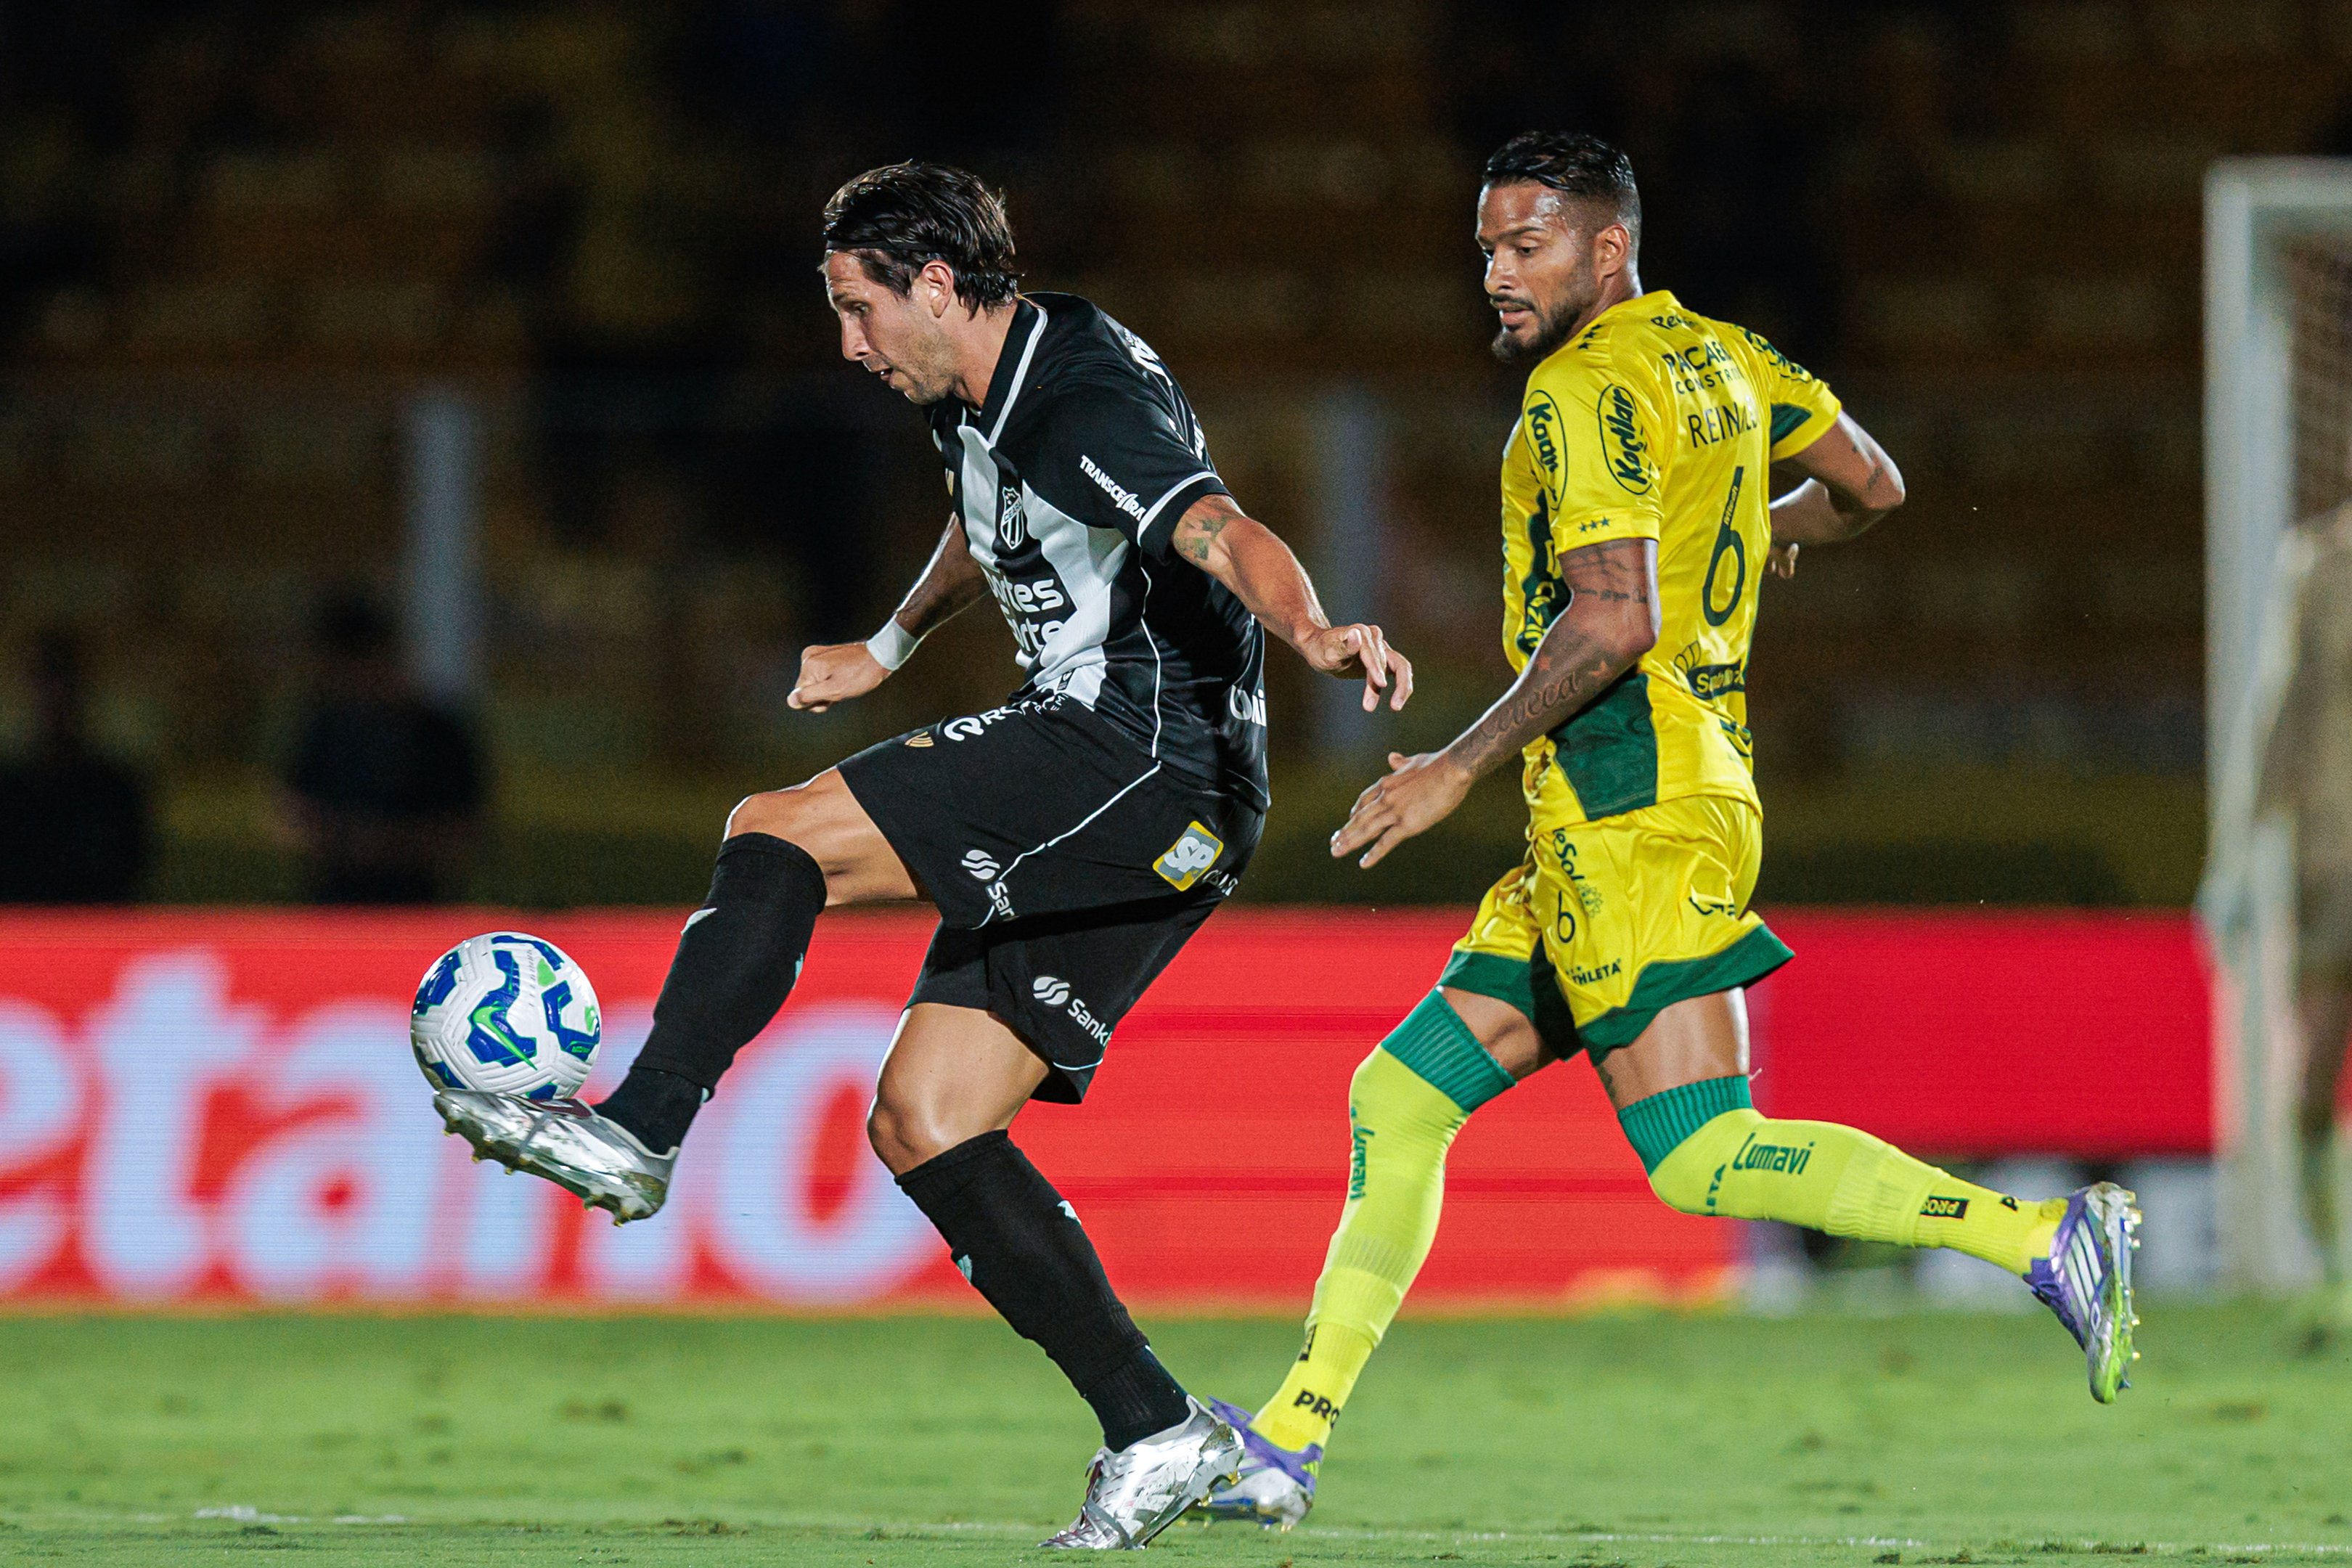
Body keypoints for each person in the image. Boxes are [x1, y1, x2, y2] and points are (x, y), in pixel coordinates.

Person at [433, 160, 1413, 1550]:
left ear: (938, 287)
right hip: (1163, 792)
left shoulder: (1081, 394)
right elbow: (987, 517)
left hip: (1135, 753)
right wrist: (890, 643)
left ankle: (641, 1129)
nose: (845, 342)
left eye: (857, 307)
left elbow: (1220, 527)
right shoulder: (982, 391)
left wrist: (1318, 634)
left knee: (774, 831)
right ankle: (1161, 1431)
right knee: (928, 1121)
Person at [1197, 132, 2140, 1531]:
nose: (1498, 276)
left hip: (1628, 792)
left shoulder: (1575, 396)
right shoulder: (1730, 357)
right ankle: (1289, 1440)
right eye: (1486, 250)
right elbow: (1876, 485)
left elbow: (1614, 617)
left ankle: (2041, 1233)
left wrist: (1454, 765)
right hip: (1664, 783)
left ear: (1608, 247)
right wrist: (1748, 534)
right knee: (1401, 1097)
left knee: (1701, 1155)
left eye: (1527, 246)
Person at [2254, 503, 2352, 1305]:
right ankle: (2326, 1244)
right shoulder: (2319, 564)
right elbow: (2282, 709)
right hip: (2333, 850)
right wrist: (2242, 847)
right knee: (2315, 1059)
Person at [282, 591, 486, 904]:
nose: (358, 679)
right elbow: (290, 813)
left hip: (421, 908)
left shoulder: (438, 730)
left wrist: (395, 844)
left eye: (366, 662)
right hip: (335, 905)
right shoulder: (327, 725)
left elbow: (468, 826)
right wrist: (345, 838)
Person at [0, 628, 150, 902]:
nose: (56, 695)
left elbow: (128, 876)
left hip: (97, 937)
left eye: (64, 679)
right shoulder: (8, 788)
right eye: (45, 680)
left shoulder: (115, 790)